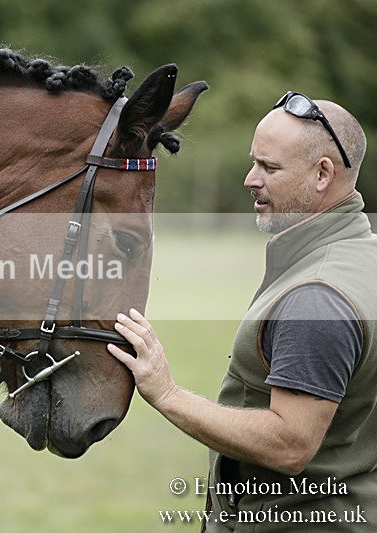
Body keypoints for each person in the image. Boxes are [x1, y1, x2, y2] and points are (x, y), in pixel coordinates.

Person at [107, 93, 375, 531]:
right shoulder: (363, 257)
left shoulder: (316, 298)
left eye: (269, 167)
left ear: (323, 174)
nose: (251, 179)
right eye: (254, 162)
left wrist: (168, 393)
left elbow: (290, 444)